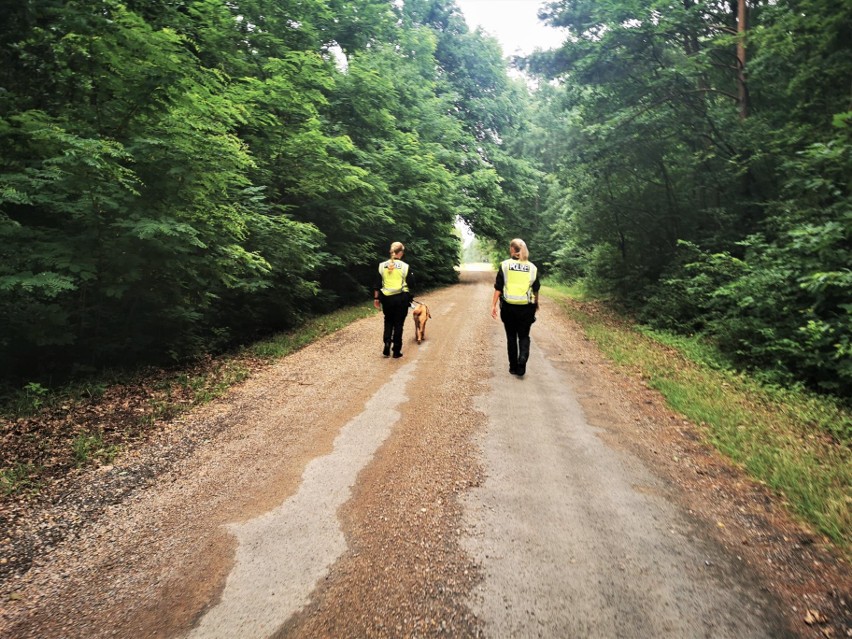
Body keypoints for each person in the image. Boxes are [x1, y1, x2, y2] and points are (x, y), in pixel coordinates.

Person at [491, 238, 540, 376]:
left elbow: (498, 287)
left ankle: (513, 367)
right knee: (524, 335)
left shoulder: (505, 265)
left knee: (511, 336)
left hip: (508, 307)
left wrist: (493, 305)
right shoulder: (532, 267)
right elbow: (536, 288)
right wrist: (536, 303)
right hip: (526, 308)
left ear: (512, 250)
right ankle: (522, 360)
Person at [374, 241, 414, 358]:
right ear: (400, 252)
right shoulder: (405, 266)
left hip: (386, 298)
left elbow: (377, 283)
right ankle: (396, 351)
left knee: (388, 320)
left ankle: (387, 342)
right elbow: (412, 284)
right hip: (401, 298)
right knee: (398, 324)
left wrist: (376, 298)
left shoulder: (382, 265)